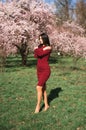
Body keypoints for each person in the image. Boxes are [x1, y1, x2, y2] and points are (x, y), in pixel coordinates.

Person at [34, 33, 52, 113]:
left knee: (38, 87)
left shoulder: (49, 47)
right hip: (39, 70)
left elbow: (39, 53)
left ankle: (38, 106)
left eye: (41, 38)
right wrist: (38, 50)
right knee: (43, 88)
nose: (40, 40)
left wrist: (36, 49)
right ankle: (46, 105)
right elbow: (36, 55)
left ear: (45, 39)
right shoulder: (40, 47)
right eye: (39, 38)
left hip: (45, 70)